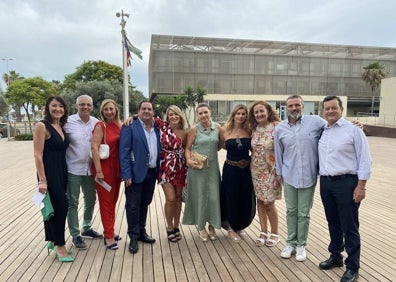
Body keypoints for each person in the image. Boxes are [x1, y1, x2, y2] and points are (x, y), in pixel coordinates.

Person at [318, 96, 371, 282]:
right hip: (325, 182)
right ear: (323, 111)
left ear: (341, 109)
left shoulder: (354, 130)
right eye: (327, 109)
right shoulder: (323, 130)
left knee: (350, 225)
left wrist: (361, 186)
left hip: (347, 182)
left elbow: (365, 159)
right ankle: (335, 256)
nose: (330, 111)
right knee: (333, 222)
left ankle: (353, 267)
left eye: (334, 108)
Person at [274, 95, 326, 261]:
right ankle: (290, 243)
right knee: (291, 211)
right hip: (289, 175)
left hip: (309, 175)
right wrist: (279, 173)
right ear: (286, 107)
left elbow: (334, 126)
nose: (294, 108)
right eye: (291, 105)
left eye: (297, 105)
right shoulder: (280, 128)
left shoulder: (316, 122)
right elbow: (278, 153)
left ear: (302, 106)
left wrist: (355, 125)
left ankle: (301, 244)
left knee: (304, 213)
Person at [33, 96, 73, 262]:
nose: (58, 109)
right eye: (54, 106)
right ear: (47, 108)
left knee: (54, 207)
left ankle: (51, 239)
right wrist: (42, 180)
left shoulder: (61, 126)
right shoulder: (42, 126)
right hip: (48, 172)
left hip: (62, 170)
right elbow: (37, 154)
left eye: (61, 106)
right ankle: (60, 244)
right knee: (63, 206)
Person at [119, 100, 161, 254]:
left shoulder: (157, 127)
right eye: (143, 109)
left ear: (153, 112)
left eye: (149, 109)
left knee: (145, 203)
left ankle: (142, 231)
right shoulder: (130, 126)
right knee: (132, 205)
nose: (146, 111)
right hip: (135, 173)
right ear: (139, 111)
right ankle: (133, 236)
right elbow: (124, 152)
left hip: (151, 172)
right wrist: (126, 174)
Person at [64, 95, 102, 251]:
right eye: (82, 104)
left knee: (91, 199)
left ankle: (86, 227)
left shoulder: (96, 122)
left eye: (88, 105)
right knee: (72, 202)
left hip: (90, 168)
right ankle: (75, 234)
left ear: (92, 107)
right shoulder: (67, 122)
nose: (85, 107)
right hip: (72, 168)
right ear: (76, 106)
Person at [182, 103, 222, 242]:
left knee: (213, 197)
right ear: (197, 115)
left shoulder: (217, 127)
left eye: (205, 112)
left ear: (210, 112)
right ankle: (201, 227)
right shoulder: (193, 129)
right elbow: (187, 148)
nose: (203, 115)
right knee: (200, 196)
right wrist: (188, 160)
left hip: (212, 170)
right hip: (197, 169)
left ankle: (212, 226)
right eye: (200, 113)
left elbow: (220, 145)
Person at [220, 104, 255, 242]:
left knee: (244, 196)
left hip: (246, 169)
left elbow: (254, 149)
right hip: (231, 169)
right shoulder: (224, 130)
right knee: (231, 197)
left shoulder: (249, 130)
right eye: (238, 114)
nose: (241, 116)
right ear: (233, 115)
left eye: (243, 114)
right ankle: (231, 227)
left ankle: (240, 226)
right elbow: (221, 146)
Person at [248, 100, 282, 247]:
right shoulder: (253, 128)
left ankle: (275, 233)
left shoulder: (277, 127)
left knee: (269, 202)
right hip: (256, 169)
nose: (259, 114)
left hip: (272, 171)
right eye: (256, 112)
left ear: (268, 111)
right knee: (260, 200)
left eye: (262, 111)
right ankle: (263, 231)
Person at [91, 99, 122, 250]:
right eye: (106, 109)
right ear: (102, 112)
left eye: (111, 109)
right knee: (106, 203)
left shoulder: (119, 125)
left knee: (113, 201)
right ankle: (109, 236)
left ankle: (110, 230)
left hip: (117, 167)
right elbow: (94, 148)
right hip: (104, 167)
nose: (109, 112)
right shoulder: (100, 125)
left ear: (116, 110)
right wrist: (98, 171)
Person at [155, 106, 188, 242]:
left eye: (176, 114)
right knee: (171, 198)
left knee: (179, 198)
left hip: (180, 167)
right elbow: (145, 116)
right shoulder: (162, 127)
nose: (174, 117)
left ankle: (176, 227)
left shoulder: (185, 133)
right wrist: (131, 118)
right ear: (167, 117)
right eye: (171, 115)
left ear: (180, 116)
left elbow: (187, 150)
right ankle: (169, 228)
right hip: (165, 167)